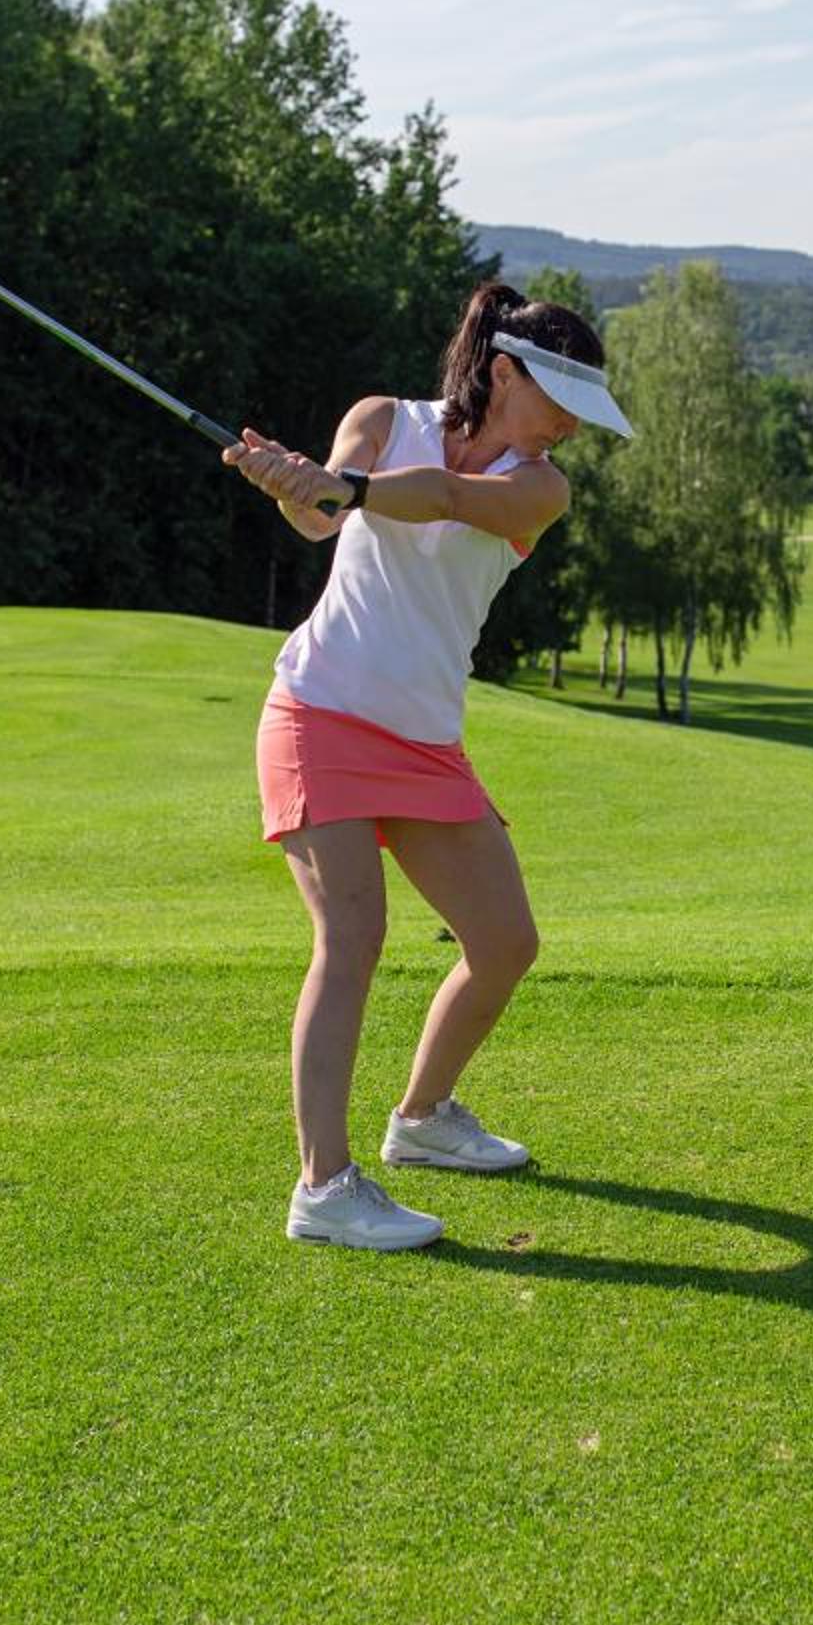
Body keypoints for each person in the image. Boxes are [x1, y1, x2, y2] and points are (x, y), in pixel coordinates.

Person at [221, 282, 631, 1250]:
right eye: (561, 402)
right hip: (320, 709)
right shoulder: (381, 419)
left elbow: (443, 499)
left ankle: (422, 1119)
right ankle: (324, 1187)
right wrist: (297, 484)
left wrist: (348, 491)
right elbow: (323, 518)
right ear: (504, 372)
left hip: (422, 737)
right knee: (352, 937)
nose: (572, 427)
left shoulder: (541, 487)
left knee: (506, 942)